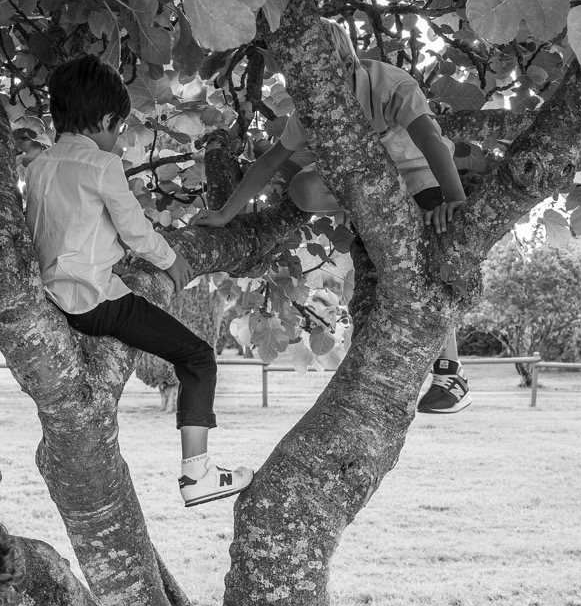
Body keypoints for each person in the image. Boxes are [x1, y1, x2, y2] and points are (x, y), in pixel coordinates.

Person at [192, 23, 472, 415]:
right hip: (371, 195)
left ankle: (451, 370)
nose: (298, 83)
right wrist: (224, 214)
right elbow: (271, 160)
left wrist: (453, 198)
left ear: (339, 59)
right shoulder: (311, 107)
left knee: (426, 264)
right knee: (304, 190)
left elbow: (427, 137)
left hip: (421, 177)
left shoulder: (387, 82)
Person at [23, 55, 252, 506]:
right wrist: (170, 261)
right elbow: (133, 228)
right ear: (107, 119)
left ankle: (197, 472)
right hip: (95, 302)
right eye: (118, 129)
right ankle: (197, 475)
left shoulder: (39, 165)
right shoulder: (102, 166)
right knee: (198, 357)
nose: (118, 140)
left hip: (51, 295)